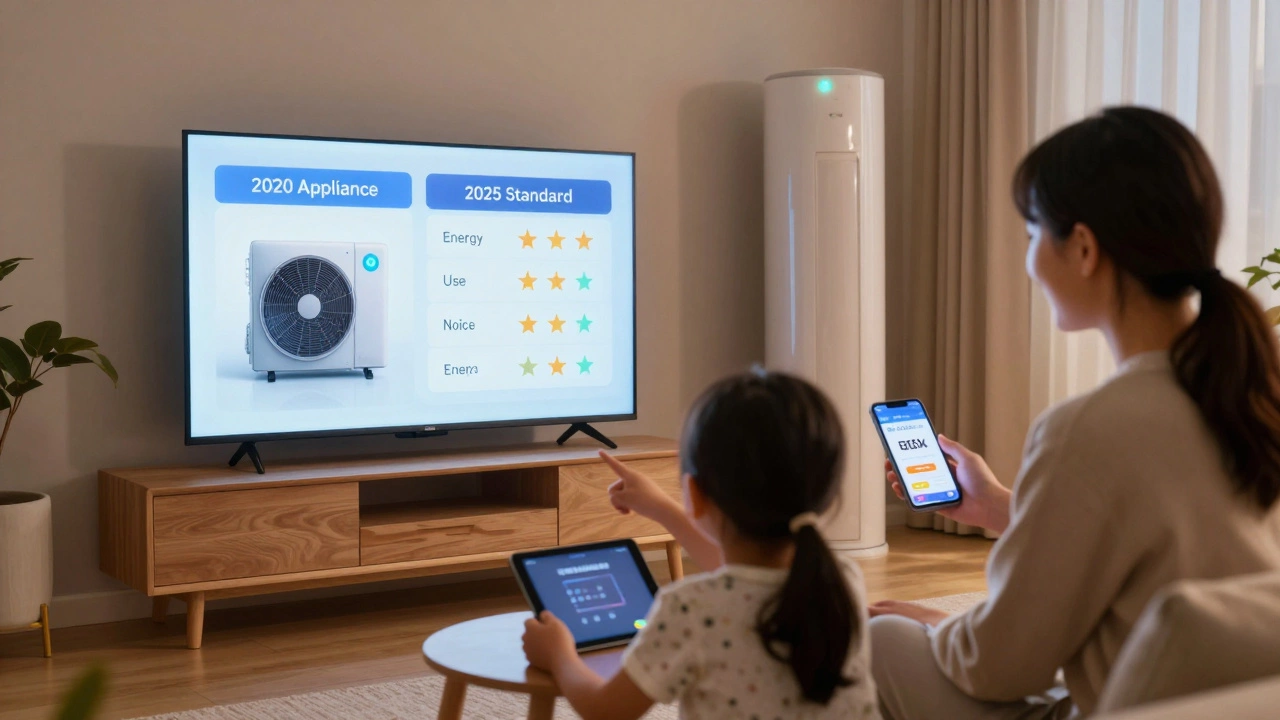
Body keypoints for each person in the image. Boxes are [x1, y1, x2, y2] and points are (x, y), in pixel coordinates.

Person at [869, 105, 1280, 720]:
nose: (1031, 259)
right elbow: (1172, 539)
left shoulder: (1089, 429)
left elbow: (998, 665)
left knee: (885, 641)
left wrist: (940, 626)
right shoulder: (1252, 394)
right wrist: (1002, 506)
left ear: (1083, 248)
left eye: (1034, 232)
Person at [522, 369, 881, 720]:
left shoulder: (689, 609)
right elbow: (742, 582)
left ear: (693, 492)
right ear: (827, 493)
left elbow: (605, 710)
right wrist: (663, 508)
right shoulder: (840, 580)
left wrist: (560, 656)